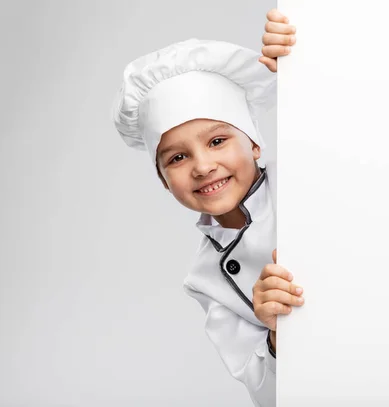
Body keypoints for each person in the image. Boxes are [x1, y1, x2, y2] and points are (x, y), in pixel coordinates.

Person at [111, 9, 297, 407]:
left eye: (217, 141)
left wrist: (308, 49)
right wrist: (278, 336)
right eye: (176, 158)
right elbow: (268, 395)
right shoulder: (204, 279)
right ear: (163, 180)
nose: (201, 166)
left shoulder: (302, 178)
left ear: (254, 142)